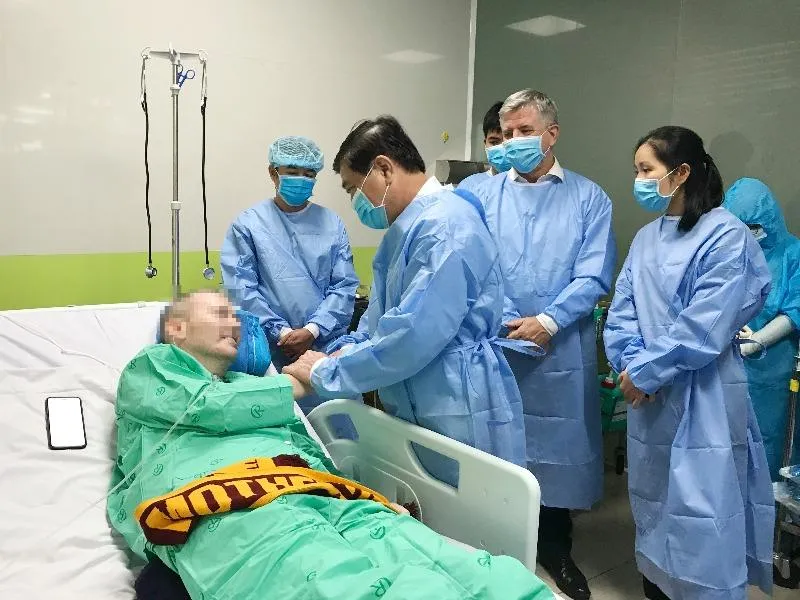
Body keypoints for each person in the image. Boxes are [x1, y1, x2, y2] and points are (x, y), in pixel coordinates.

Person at [110, 290, 554, 600]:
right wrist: (295, 381)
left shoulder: (248, 383)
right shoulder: (151, 368)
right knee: (332, 582)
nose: (235, 323)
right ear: (177, 327)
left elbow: (308, 452)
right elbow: (207, 408)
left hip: (316, 495)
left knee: (453, 566)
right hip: (229, 507)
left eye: (235, 315)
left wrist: (367, 498)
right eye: (219, 312)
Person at [282, 115, 535, 488]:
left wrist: (327, 372)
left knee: (465, 511)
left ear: (384, 169)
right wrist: (337, 353)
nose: (354, 202)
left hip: (455, 399)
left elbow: (412, 335)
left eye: (353, 189)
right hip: (422, 395)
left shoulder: (446, 226)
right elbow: (379, 322)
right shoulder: (407, 229)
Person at [603, 127, 774, 600]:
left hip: (705, 397)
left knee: (705, 514)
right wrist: (633, 366)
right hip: (649, 402)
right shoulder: (646, 239)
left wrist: (645, 372)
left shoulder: (726, 236)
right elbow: (622, 312)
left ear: (680, 173)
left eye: (646, 170)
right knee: (655, 503)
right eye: (636, 170)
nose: (638, 180)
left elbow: (706, 324)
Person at [470, 89, 616, 600]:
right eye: (507, 133)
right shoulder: (479, 195)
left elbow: (594, 273)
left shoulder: (589, 198)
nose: (513, 141)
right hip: (494, 345)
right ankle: (492, 545)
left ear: (551, 134)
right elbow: (470, 264)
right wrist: (506, 316)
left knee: (555, 452)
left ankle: (555, 549)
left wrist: (548, 321)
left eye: (524, 131)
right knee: (495, 450)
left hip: (560, 352)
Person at [221, 135, 359, 414]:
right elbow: (241, 290)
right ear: (273, 173)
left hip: (324, 347)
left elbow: (344, 286)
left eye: (308, 174)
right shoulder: (248, 225)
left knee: (338, 426)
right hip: (271, 349)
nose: (301, 179)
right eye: (292, 172)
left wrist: (312, 330)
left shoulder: (332, 223)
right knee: (279, 424)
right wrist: (282, 332)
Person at [724, 177, 800, 479]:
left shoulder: (792, 253)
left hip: (773, 370)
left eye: (753, 227)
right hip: (726, 363)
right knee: (727, 440)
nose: (747, 234)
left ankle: (768, 502)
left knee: (770, 439)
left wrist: (758, 340)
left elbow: (795, 310)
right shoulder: (727, 252)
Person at [458, 101, 511, 193]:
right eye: (494, 142)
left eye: (508, 142)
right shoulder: (470, 186)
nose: (502, 148)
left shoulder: (531, 186)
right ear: (485, 144)